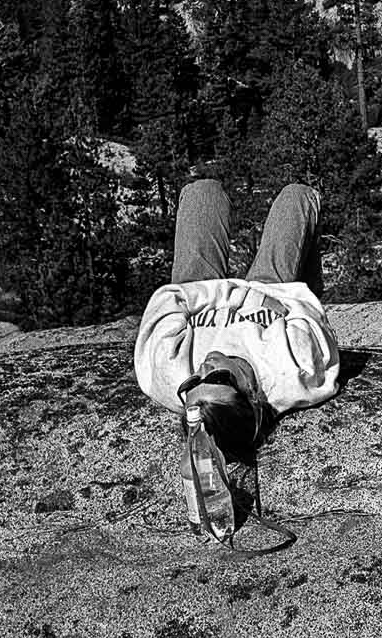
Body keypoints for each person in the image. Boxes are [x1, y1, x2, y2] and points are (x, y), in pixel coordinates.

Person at [134, 179, 340, 465]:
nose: (205, 366)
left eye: (194, 381)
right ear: (253, 396)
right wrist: (255, 295)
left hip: (197, 291)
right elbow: (306, 309)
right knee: (298, 197)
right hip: (271, 289)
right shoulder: (294, 370)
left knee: (202, 193)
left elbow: (166, 302)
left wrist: (225, 292)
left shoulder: (168, 377)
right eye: (218, 377)